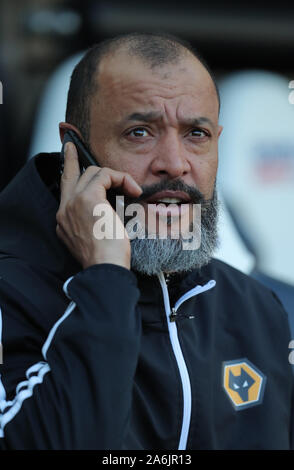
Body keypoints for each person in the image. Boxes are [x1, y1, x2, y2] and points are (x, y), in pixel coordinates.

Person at [0, 32, 293, 450]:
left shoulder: (257, 305)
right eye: (139, 133)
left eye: (196, 134)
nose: (174, 164)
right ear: (74, 148)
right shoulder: (10, 295)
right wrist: (104, 277)